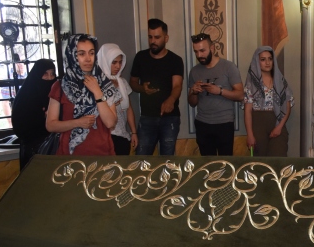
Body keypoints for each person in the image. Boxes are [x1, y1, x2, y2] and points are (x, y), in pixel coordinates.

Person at [45, 34, 120, 155]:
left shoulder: (105, 84)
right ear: (72, 55)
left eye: (91, 53)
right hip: (70, 155)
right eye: (81, 54)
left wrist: (97, 92)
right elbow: (50, 125)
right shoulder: (61, 86)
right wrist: (78, 122)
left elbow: (110, 122)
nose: (88, 59)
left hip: (102, 153)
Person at [130, 19, 184, 156]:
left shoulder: (175, 60)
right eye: (150, 37)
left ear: (166, 38)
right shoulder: (140, 57)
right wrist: (142, 88)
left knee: (167, 160)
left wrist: (171, 100)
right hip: (147, 117)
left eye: (157, 37)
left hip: (170, 118)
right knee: (141, 159)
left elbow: (177, 85)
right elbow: (133, 82)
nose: (153, 41)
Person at [187, 33, 243, 156]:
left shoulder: (228, 67)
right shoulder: (194, 71)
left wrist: (220, 91)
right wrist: (193, 92)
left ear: (212, 48)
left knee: (225, 163)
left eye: (202, 51)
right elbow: (192, 103)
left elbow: (240, 95)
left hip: (224, 123)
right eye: (196, 52)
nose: (199, 55)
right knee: (207, 164)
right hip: (202, 124)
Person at [242, 46, 294, 157]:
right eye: (263, 59)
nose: (267, 62)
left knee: (278, 157)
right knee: (260, 161)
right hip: (258, 125)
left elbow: (287, 106)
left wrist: (279, 127)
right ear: (257, 62)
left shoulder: (280, 81)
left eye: (270, 59)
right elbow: (247, 111)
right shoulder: (251, 84)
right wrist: (250, 135)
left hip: (277, 122)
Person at [11, 59, 56, 169]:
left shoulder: (56, 94)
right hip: (33, 150)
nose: (49, 78)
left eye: (52, 74)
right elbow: (20, 126)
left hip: (53, 148)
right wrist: (43, 117)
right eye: (45, 74)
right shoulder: (26, 96)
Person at [97, 43, 137, 155]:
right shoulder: (97, 84)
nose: (118, 66)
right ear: (105, 61)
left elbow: (128, 108)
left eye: (120, 62)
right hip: (105, 136)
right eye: (114, 62)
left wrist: (134, 132)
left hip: (122, 135)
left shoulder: (122, 82)